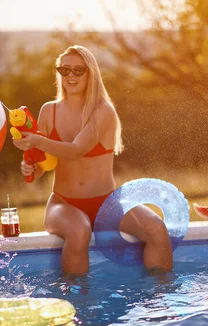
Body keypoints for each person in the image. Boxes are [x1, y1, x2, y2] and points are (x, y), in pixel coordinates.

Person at [12, 45, 172, 275]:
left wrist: (36, 141)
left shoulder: (103, 111)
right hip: (63, 203)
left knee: (157, 229)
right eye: (64, 70)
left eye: (78, 70)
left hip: (108, 203)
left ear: (91, 73)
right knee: (79, 232)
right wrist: (31, 166)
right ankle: (78, 306)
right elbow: (45, 164)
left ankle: (159, 301)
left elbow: (76, 150)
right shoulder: (49, 111)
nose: (71, 76)